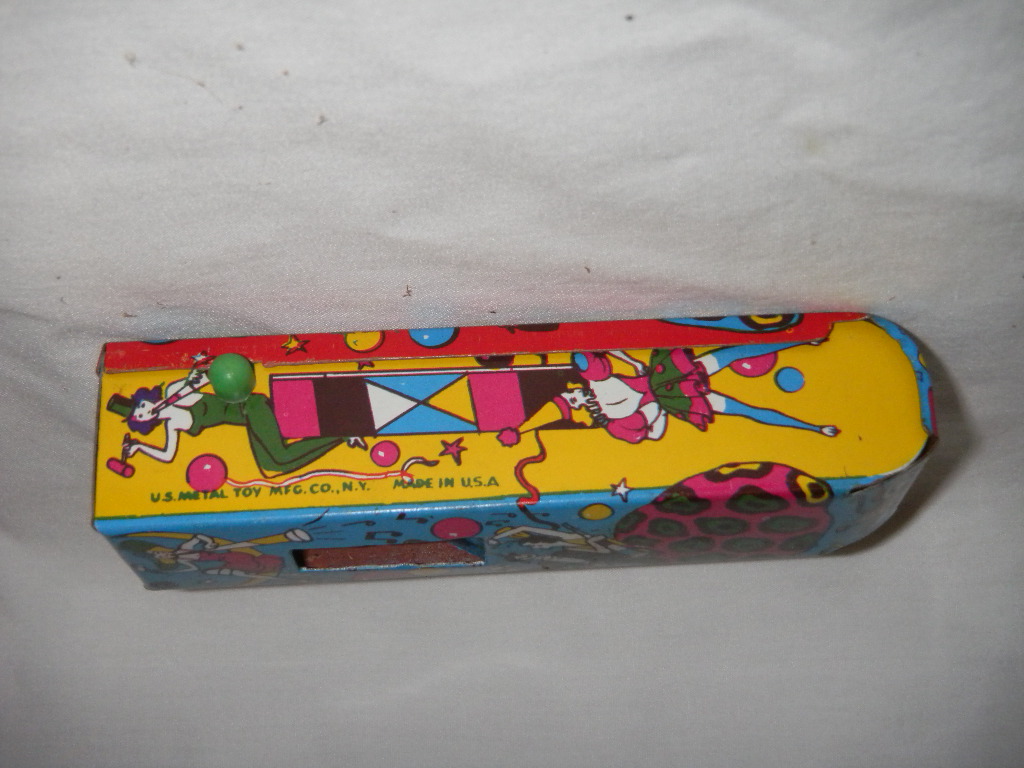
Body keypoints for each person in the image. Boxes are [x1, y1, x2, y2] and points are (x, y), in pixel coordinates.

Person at [106, 366, 354, 475]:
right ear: (141, 422)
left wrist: (192, 382)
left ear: (146, 400)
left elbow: (206, 377)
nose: (143, 412)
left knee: (279, 458)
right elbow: (167, 455)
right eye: (139, 416)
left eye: (141, 406)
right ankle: (341, 432)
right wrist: (139, 446)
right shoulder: (173, 423)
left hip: (251, 406)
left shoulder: (172, 391)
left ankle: (343, 432)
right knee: (272, 464)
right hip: (249, 421)